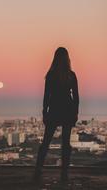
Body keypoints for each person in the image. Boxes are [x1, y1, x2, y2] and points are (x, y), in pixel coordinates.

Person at [34, 47, 79, 182]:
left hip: (54, 109)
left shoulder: (51, 75)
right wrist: (75, 112)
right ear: (67, 58)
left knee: (46, 140)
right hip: (67, 109)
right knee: (66, 142)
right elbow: (76, 96)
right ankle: (64, 171)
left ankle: (38, 168)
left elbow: (46, 95)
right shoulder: (71, 75)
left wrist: (44, 111)